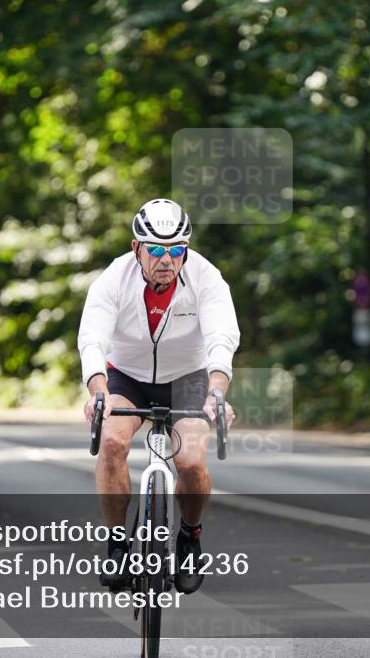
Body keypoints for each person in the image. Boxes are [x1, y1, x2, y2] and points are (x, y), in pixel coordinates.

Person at [79, 198, 239, 595]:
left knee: (189, 462)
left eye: (176, 249)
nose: (166, 259)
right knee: (113, 443)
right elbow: (92, 338)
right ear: (137, 249)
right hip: (126, 376)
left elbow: (222, 337)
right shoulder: (114, 278)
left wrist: (217, 392)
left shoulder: (206, 277)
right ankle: (117, 543)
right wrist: (99, 392)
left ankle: (189, 537)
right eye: (156, 249)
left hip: (187, 376)